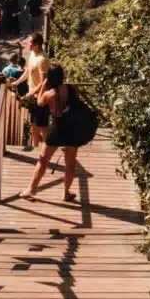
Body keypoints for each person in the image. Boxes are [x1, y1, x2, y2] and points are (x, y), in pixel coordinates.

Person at [27, 53, 96, 199]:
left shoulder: (51, 93)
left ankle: (32, 189)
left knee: (43, 159)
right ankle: (66, 193)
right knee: (70, 164)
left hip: (57, 128)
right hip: (72, 128)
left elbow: (39, 102)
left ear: (50, 78)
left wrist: (44, 84)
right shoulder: (70, 88)